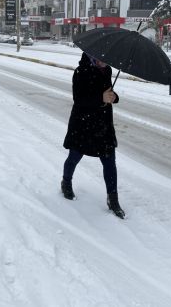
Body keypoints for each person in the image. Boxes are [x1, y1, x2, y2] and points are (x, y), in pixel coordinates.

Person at [62, 52, 124, 219]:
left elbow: (108, 92)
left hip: (103, 125)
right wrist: (101, 97)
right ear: (93, 56)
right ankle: (66, 182)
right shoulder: (80, 72)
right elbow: (79, 99)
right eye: (101, 58)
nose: (105, 62)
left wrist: (114, 97)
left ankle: (113, 199)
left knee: (110, 161)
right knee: (74, 156)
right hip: (83, 124)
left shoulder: (107, 70)